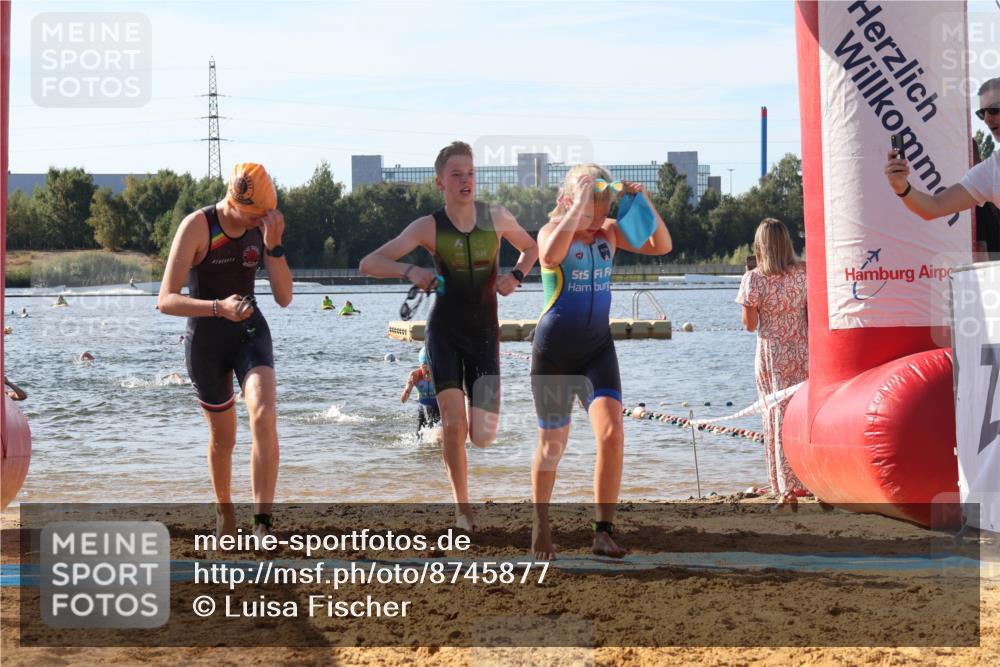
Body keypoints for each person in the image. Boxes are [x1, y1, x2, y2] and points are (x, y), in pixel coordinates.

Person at [359, 140, 538, 530]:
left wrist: (517, 276)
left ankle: (443, 435)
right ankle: (463, 509)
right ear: (440, 182)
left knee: (484, 436)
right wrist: (410, 272)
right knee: (456, 422)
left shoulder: (497, 217)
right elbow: (369, 263)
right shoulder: (428, 226)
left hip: (486, 336)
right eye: (456, 174)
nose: (465, 180)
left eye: (470, 173)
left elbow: (531, 246)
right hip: (444, 334)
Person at [530, 164, 672, 560]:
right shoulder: (551, 233)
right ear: (568, 202)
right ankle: (541, 525)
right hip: (554, 353)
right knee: (551, 446)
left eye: (603, 210)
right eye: (590, 213)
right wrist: (576, 210)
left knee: (612, 435)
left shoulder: (609, 233)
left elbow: (661, 245)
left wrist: (643, 201)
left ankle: (602, 532)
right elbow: (550, 253)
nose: (596, 224)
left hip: (596, 351)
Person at [157, 162, 293, 538]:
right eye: (253, 216)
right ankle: (224, 509)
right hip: (206, 340)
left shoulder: (263, 229)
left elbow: (283, 298)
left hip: (249, 330)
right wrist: (218, 307)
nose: (258, 223)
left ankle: (262, 523)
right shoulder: (198, 226)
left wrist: (274, 247)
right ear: (233, 202)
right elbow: (165, 300)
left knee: (264, 415)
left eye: (264, 217)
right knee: (224, 438)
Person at [736, 218, 809, 512]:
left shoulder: (754, 278)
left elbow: (750, 326)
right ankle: (809, 479)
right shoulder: (804, 272)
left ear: (760, 245)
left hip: (773, 353)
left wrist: (749, 301)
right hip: (803, 349)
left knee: (776, 418)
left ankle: (785, 487)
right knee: (802, 414)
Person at [886, 77, 1000, 217]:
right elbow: (934, 207)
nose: (987, 118)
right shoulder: (992, 169)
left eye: (994, 109)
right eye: (982, 113)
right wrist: (901, 186)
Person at [401, 347, 441, 438]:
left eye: (429, 367)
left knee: (436, 434)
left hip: (437, 407)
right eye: (424, 367)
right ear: (420, 365)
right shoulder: (415, 375)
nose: (427, 371)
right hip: (423, 407)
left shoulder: (438, 374)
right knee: (419, 436)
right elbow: (403, 400)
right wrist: (407, 390)